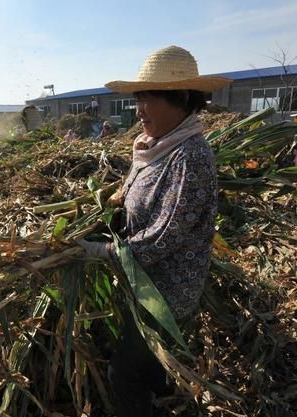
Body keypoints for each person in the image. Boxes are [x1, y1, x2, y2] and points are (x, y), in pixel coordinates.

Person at [76, 45, 232, 417]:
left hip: (164, 293)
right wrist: (107, 201)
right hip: (142, 283)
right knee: (146, 365)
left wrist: (100, 252)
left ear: (180, 100)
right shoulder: (155, 147)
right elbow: (132, 191)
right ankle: (160, 397)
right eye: (138, 100)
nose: (139, 110)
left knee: (123, 373)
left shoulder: (189, 157)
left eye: (149, 100)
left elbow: (163, 236)